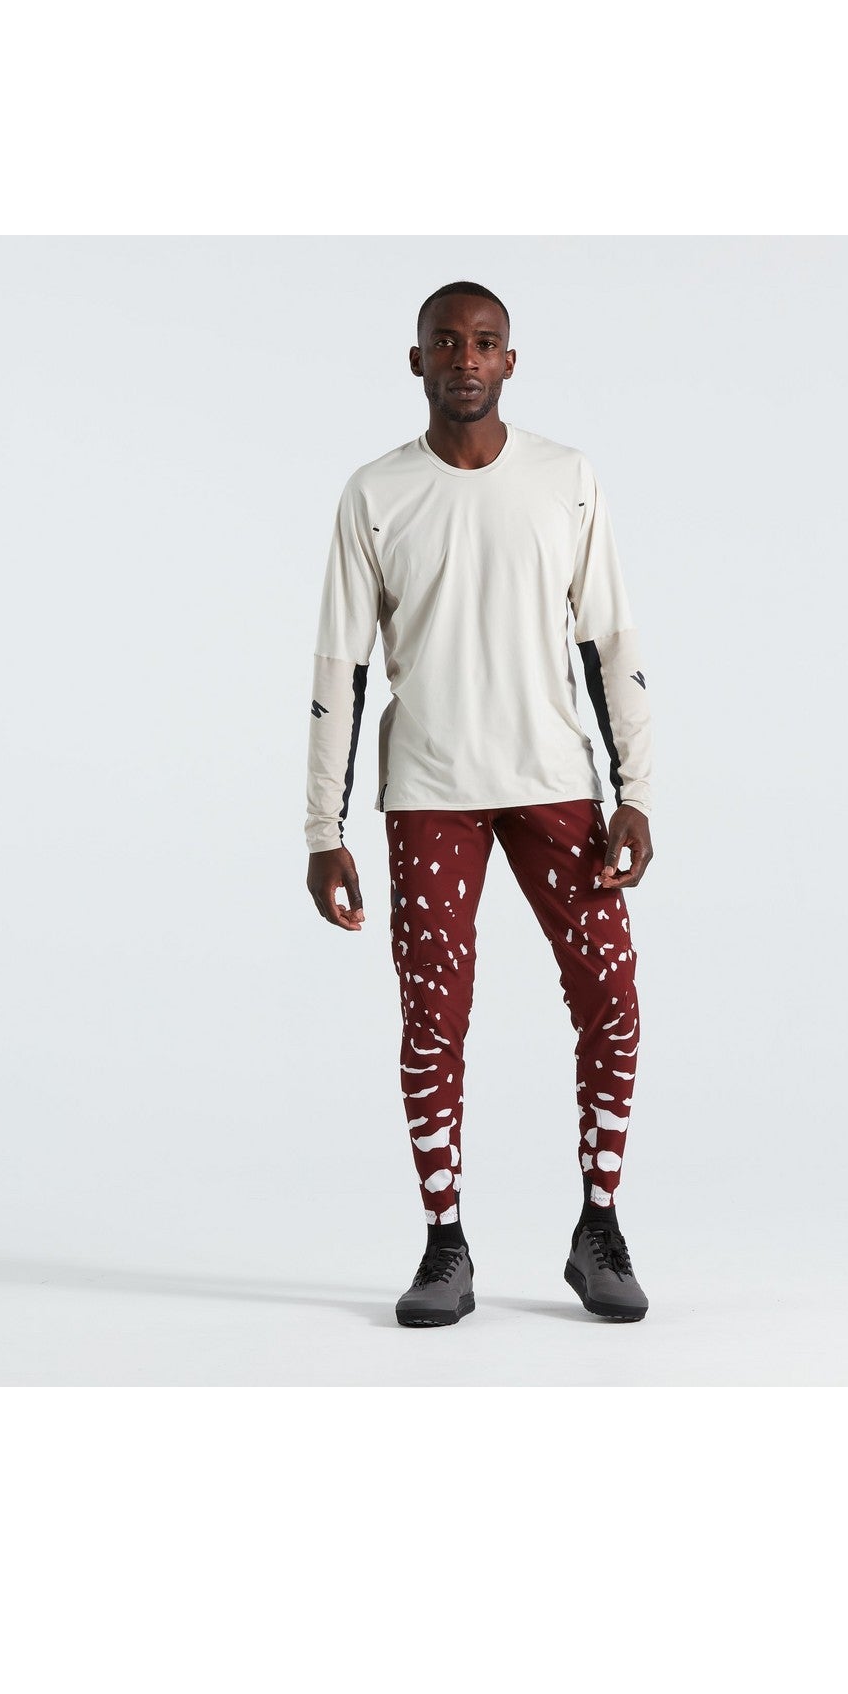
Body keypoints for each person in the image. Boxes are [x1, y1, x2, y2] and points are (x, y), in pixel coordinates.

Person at [303, 282, 655, 1327]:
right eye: (446, 342)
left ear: (510, 360)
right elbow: (338, 667)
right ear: (416, 360)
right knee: (432, 1020)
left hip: (555, 785)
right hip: (429, 794)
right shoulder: (376, 494)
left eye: (485, 342)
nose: (466, 358)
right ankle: (443, 1243)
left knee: (611, 997)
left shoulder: (565, 479)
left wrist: (635, 793)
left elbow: (609, 642)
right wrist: (322, 829)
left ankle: (599, 1226)